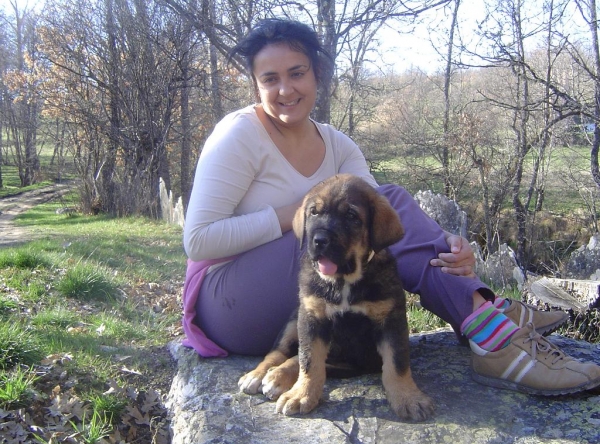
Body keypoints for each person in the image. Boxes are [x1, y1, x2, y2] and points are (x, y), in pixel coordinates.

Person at [182, 18, 600, 396]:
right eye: (269, 78)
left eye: (297, 73)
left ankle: (479, 311)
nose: (285, 89)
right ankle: (491, 330)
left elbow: (386, 234)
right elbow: (198, 241)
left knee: (381, 212)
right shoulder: (238, 134)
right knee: (343, 221)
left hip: (309, 302)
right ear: (255, 84)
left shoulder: (338, 145)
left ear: (317, 74)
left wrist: (448, 250)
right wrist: (299, 212)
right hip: (230, 302)